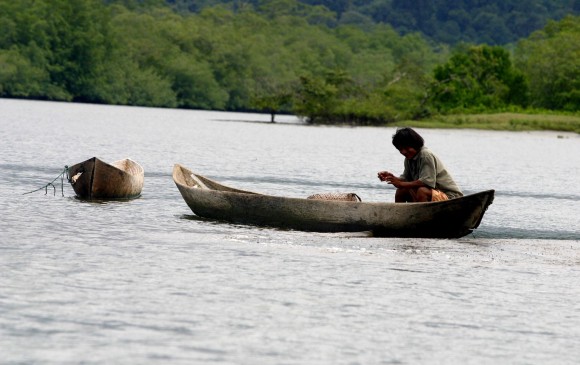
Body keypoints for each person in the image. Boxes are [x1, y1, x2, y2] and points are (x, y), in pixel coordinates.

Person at [377, 127, 463, 202]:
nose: (403, 152)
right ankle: (400, 216)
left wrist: (401, 183)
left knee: (422, 191)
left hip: (451, 197)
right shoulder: (409, 158)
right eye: (400, 149)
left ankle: (421, 217)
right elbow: (406, 179)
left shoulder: (425, 155)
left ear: (415, 144)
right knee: (401, 190)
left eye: (407, 148)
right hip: (433, 194)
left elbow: (426, 182)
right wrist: (392, 178)